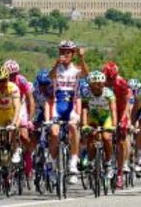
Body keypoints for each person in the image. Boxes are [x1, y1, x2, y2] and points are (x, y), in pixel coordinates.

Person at [46, 40, 89, 184]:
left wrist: (82, 58)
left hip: (71, 106)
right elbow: (50, 76)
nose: (64, 54)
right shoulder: (56, 69)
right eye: (62, 51)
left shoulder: (76, 69)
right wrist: (56, 63)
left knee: (73, 127)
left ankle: (73, 163)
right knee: (54, 133)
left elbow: (86, 74)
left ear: (72, 54)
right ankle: (52, 166)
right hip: (57, 107)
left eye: (67, 52)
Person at [102, 61, 133, 188]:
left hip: (120, 110)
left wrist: (125, 118)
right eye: (108, 79)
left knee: (121, 138)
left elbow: (126, 103)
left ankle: (120, 171)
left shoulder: (122, 83)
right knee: (104, 135)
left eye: (112, 79)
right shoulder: (101, 82)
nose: (110, 81)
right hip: (107, 110)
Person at [82, 71, 117, 179]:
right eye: (94, 84)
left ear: (103, 84)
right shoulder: (86, 93)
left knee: (106, 137)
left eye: (100, 84)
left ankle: (108, 163)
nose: (97, 87)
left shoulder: (108, 93)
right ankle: (91, 161)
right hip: (93, 118)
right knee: (91, 136)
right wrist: (84, 124)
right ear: (90, 85)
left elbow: (113, 109)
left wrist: (114, 125)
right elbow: (84, 109)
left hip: (106, 118)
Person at [3, 59, 35, 175]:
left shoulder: (21, 80)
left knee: (23, 135)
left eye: (14, 74)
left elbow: (31, 100)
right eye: (9, 75)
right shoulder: (2, 81)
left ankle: (28, 155)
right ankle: (9, 152)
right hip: (7, 107)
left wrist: (30, 120)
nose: (11, 77)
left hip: (20, 106)